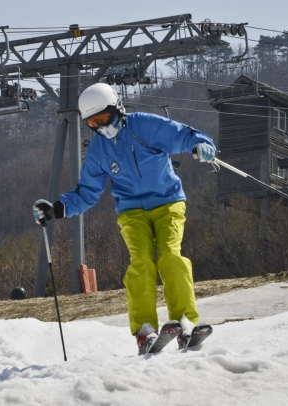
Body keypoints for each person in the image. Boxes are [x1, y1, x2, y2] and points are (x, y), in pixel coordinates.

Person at [33, 82, 216, 354]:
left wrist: (201, 143)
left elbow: (181, 135)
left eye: (104, 118)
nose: (101, 127)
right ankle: (145, 331)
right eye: (94, 123)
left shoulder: (144, 126)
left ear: (117, 109)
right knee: (141, 262)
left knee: (170, 256)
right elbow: (86, 191)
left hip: (168, 202)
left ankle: (185, 322)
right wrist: (56, 209)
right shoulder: (98, 149)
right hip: (131, 210)